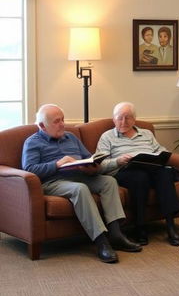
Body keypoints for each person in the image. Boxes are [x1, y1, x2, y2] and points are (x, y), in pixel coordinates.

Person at [21, 104, 142, 263]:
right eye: (57, 121)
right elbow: (29, 169)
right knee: (80, 189)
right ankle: (101, 242)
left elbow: (88, 157)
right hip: (53, 181)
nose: (63, 124)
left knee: (109, 181)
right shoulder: (32, 142)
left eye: (63, 119)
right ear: (43, 126)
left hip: (80, 176)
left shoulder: (70, 137)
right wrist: (57, 164)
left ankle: (116, 234)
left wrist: (92, 167)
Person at [97, 102, 179, 246]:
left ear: (134, 119)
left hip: (150, 168)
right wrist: (118, 161)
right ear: (114, 119)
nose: (124, 122)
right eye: (120, 118)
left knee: (165, 174)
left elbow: (160, 149)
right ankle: (140, 227)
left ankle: (170, 225)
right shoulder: (107, 137)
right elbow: (100, 165)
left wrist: (161, 155)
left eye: (128, 117)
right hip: (125, 171)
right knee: (139, 177)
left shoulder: (146, 134)